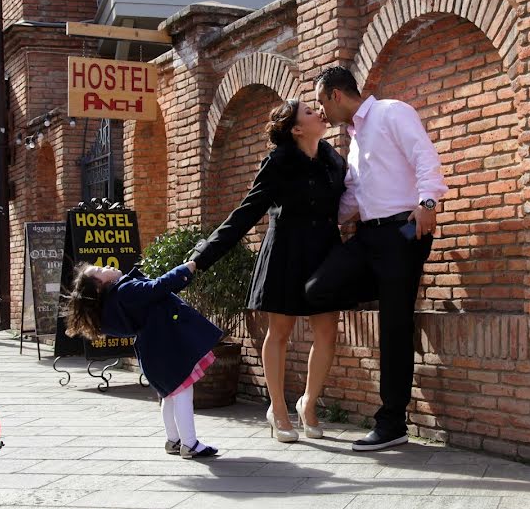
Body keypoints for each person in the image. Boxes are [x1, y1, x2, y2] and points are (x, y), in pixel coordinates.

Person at [188, 99, 348, 443]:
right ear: (296, 129)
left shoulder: (333, 160)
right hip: (287, 252)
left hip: (324, 251)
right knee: (280, 330)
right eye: (308, 111)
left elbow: (348, 203)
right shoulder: (277, 163)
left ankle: (308, 402)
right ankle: (277, 409)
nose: (319, 112)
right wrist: (202, 256)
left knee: (328, 331)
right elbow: (246, 213)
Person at [306, 66, 448, 452]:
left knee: (395, 325)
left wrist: (428, 202)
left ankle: (392, 424)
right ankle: (388, 287)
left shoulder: (391, 112)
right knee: (317, 288)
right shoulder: (354, 139)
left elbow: (424, 155)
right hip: (369, 235)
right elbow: (353, 197)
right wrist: (320, 223)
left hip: (404, 230)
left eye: (321, 102)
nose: (321, 113)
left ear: (336, 95)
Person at [65, 262, 221, 459]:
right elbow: (158, 287)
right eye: (99, 270)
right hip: (166, 349)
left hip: (153, 352)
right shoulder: (125, 291)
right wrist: (185, 269)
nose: (104, 265)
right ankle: (189, 444)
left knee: (170, 394)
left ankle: (173, 440)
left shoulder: (114, 300)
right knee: (182, 392)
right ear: (99, 286)